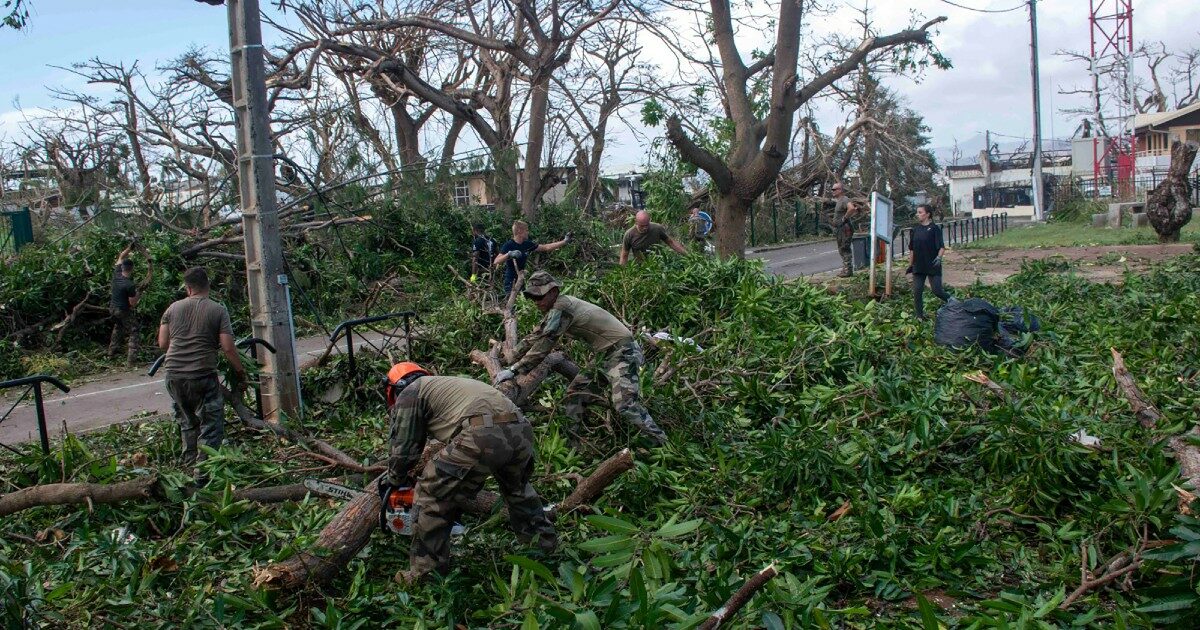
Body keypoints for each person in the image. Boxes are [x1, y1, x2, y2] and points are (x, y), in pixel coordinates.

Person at [381, 362, 557, 585]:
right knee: (518, 491)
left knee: (430, 494)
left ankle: (426, 574)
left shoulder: (410, 392)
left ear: (394, 387)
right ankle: (545, 548)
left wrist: (394, 480)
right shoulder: (444, 385)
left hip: (482, 434)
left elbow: (404, 449)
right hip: (521, 428)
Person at [494, 271, 668, 446]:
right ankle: (573, 446)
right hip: (604, 356)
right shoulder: (556, 308)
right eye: (532, 298)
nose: (536, 302)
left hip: (623, 352)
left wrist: (514, 370)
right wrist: (511, 355)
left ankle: (662, 442)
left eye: (539, 297)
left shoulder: (562, 308)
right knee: (575, 395)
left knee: (624, 404)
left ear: (553, 291)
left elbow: (544, 346)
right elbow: (536, 335)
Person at [157, 266, 246, 477]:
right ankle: (204, 475)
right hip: (202, 375)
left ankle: (189, 469)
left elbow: (163, 343)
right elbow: (228, 347)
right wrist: (240, 372)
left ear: (188, 288)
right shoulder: (217, 310)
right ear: (208, 286)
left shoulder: (171, 309)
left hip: (174, 375)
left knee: (187, 421)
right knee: (211, 426)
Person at [493, 220, 570, 296]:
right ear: (520, 231)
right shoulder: (509, 245)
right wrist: (509, 254)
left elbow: (546, 247)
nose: (528, 232)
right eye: (526, 230)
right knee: (511, 303)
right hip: (511, 281)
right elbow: (496, 261)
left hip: (521, 279)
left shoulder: (527, 244)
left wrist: (564, 241)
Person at [906, 204, 951, 320]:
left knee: (937, 291)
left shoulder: (934, 229)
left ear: (927, 214)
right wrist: (910, 265)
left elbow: (941, 247)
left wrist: (939, 258)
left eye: (920, 212)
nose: (918, 214)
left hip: (932, 264)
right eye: (917, 212)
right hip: (918, 265)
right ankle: (919, 317)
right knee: (917, 291)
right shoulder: (915, 230)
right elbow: (912, 249)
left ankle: (955, 303)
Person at [109, 244, 141, 364]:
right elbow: (132, 303)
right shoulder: (130, 285)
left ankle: (111, 353)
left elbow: (121, 256)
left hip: (112, 308)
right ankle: (131, 360)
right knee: (134, 329)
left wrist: (129, 248)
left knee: (118, 327)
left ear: (122, 267)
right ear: (132, 269)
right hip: (122, 310)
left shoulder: (116, 274)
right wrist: (139, 294)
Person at [620, 211, 688, 264]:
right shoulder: (629, 234)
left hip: (658, 264)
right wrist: (623, 273)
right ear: (636, 222)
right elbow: (624, 255)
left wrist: (688, 255)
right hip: (640, 267)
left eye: (647, 225)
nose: (645, 228)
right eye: (642, 226)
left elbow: (671, 242)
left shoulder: (657, 228)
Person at [836, 198, 863, 277]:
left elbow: (851, 209)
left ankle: (848, 270)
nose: (833, 191)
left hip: (845, 228)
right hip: (842, 228)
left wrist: (844, 218)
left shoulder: (844, 200)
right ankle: (846, 269)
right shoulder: (840, 201)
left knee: (845, 248)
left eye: (834, 189)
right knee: (842, 248)